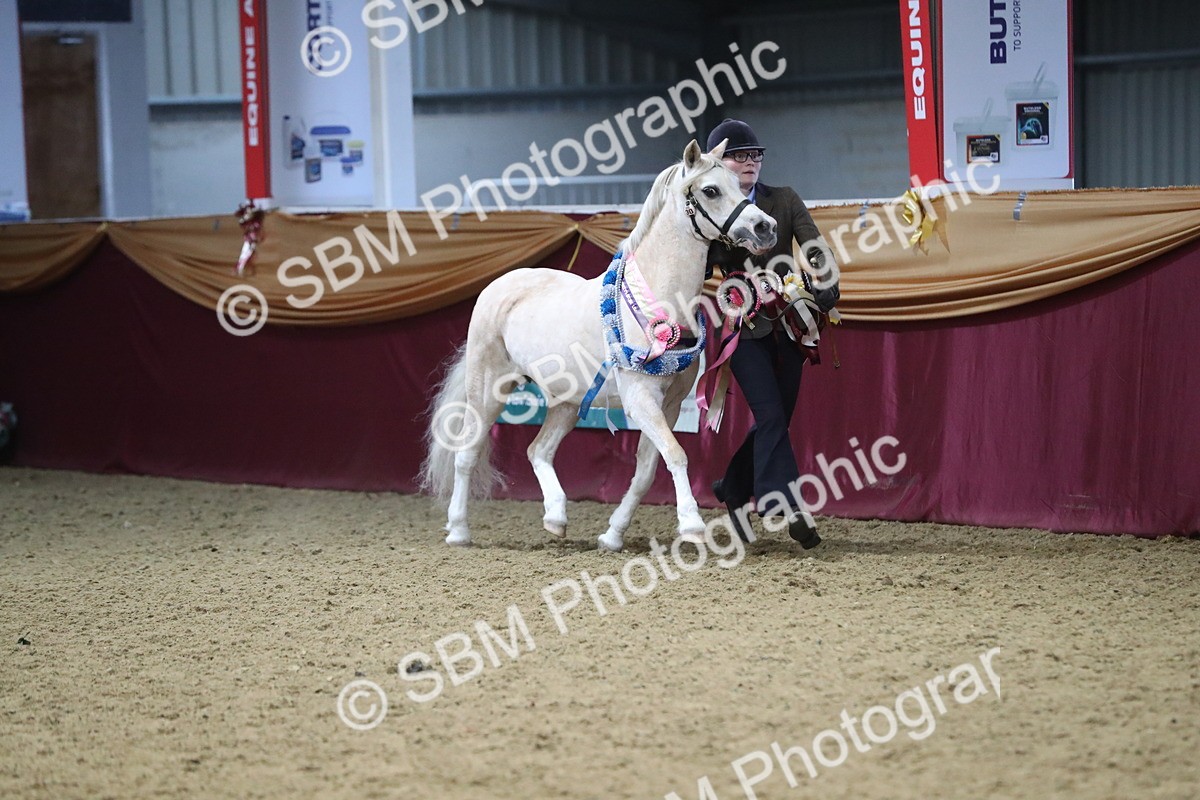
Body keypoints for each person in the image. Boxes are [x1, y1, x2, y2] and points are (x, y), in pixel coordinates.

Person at [705, 118, 840, 548]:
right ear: (718, 163)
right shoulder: (711, 209)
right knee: (770, 414)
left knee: (776, 419)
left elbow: (813, 246)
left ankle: (732, 487)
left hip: (789, 326)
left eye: (755, 155)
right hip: (741, 326)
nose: (750, 162)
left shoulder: (783, 199)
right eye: (740, 156)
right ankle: (787, 504)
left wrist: (827, 282)